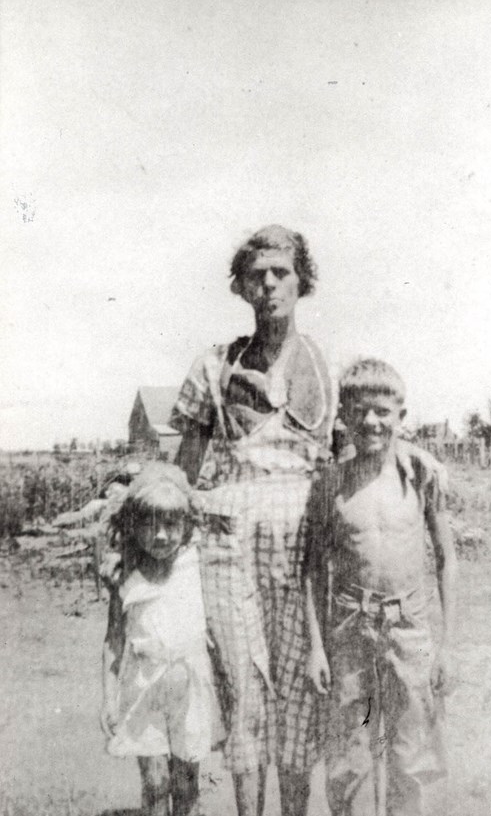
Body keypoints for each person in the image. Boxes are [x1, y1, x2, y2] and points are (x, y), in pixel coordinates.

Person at [169, 225, 333, 816]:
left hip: (301, 553)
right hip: (228, 547)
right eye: (256, 275)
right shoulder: (213, 368)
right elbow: (182, 475)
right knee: (244, 690)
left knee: (297, 692)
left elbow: (353, 465)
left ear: (301, 281)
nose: (269, 285)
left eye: (281, 273)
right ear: (241, 286)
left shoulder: (329, 370)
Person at [304, 358, 458, 816]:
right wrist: (316, 646)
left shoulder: (420, 479)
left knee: (411, 756)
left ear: (400, 417)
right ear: (344, 417)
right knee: (350, 759)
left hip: (409, 631)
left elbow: (448, 560)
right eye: (359, 411)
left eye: (382, 411)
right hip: (350, 631)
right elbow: (313, 569)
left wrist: (446, 645)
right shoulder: (331, 486)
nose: (371, 421)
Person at [100, 463, 222, 816]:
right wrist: (108, 698)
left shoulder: (197, 566)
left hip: (190, 690)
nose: (161, 536)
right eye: (150, 524)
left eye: (171, 525)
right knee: (155, 783)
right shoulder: (126, 577)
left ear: (186, 527)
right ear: (133, 526)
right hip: (143, 690)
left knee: (186, 783)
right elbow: (113, 641)